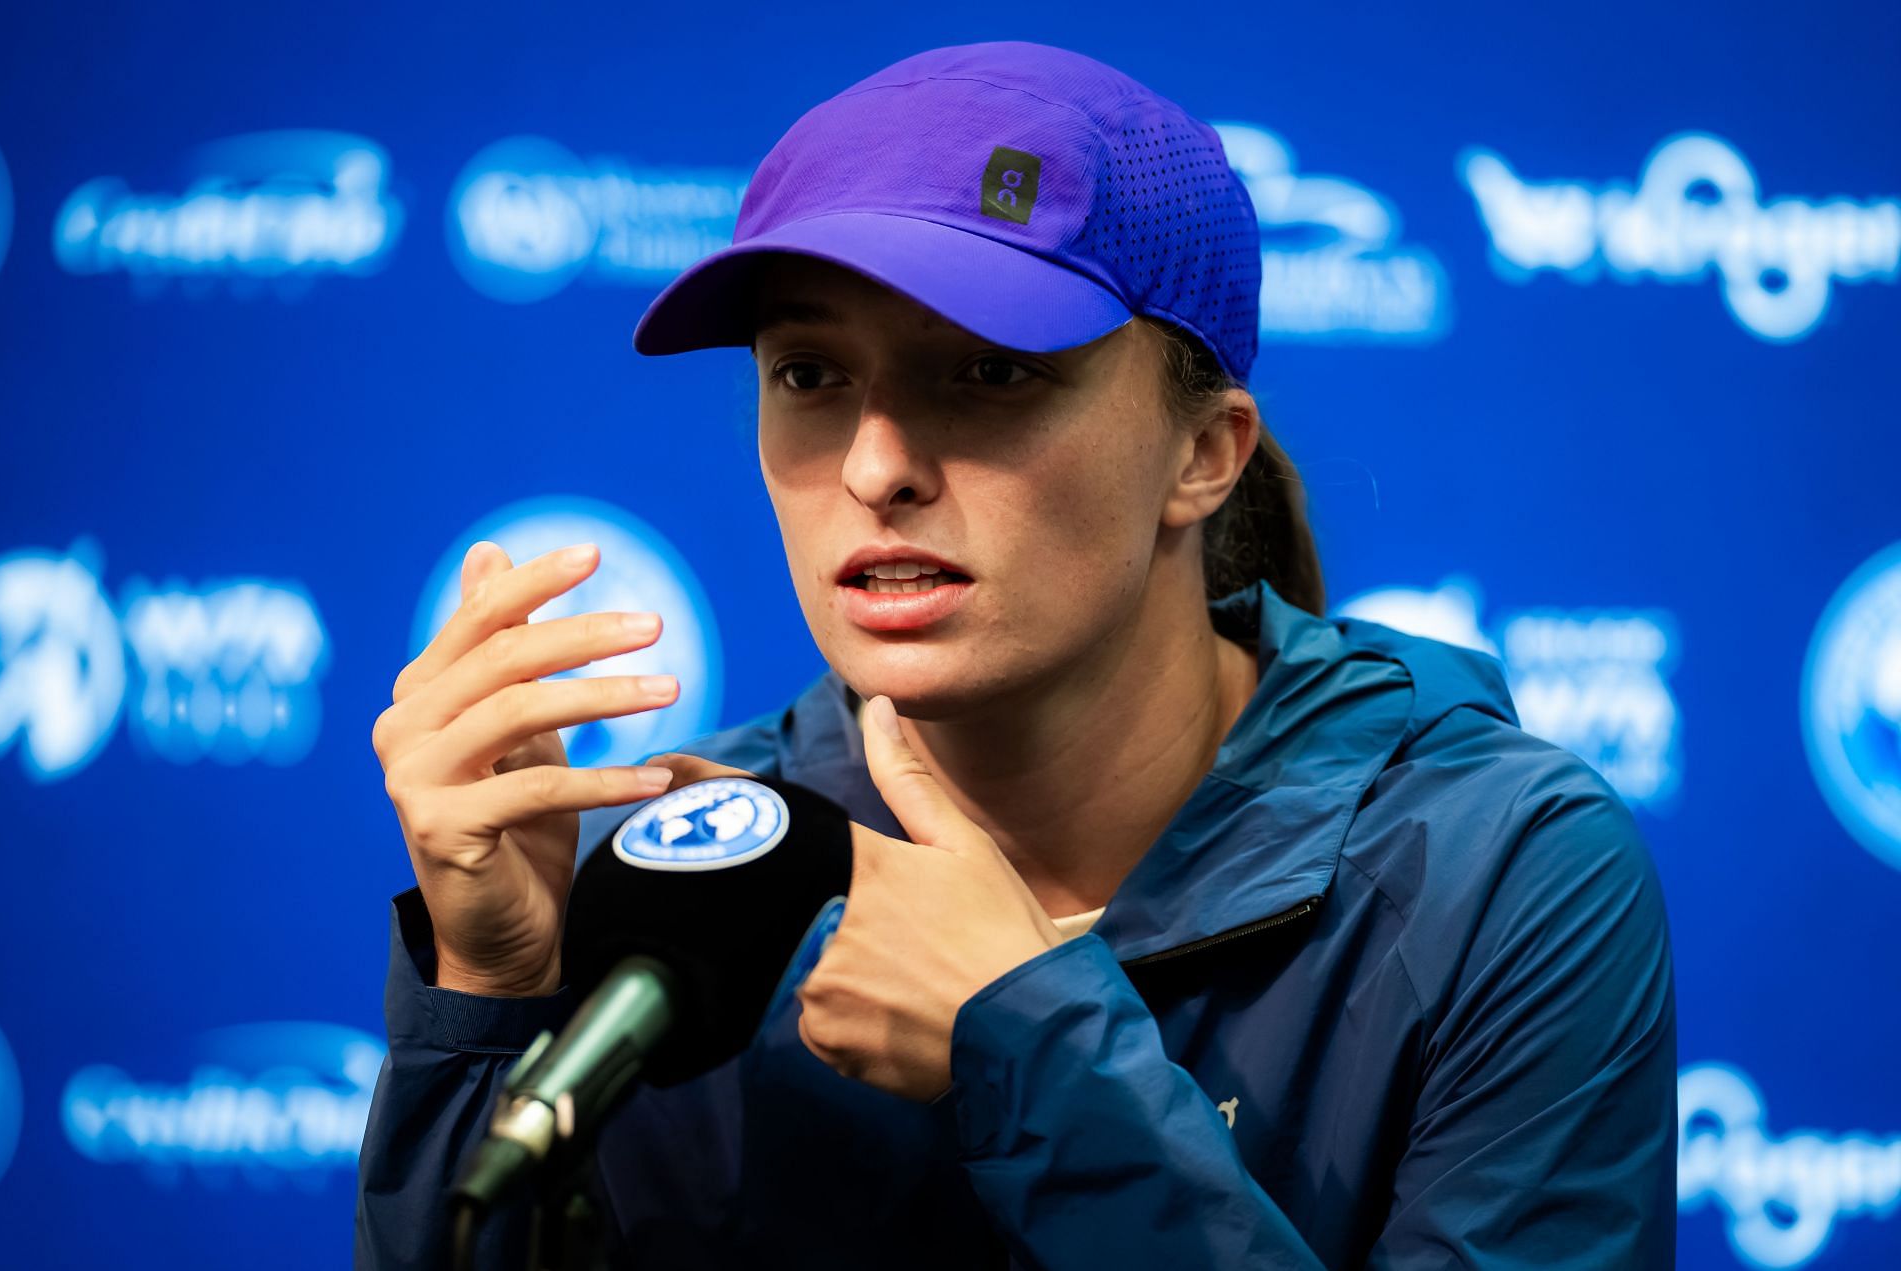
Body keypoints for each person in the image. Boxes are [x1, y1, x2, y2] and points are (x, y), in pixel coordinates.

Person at [356, 40, 1676, 1270]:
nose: (875, 467)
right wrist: (491, 1002)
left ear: (1203, 453)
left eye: (987, 374)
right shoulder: (705, 884)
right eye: (810, 376)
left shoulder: (1504, 872)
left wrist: (1029, 1047)